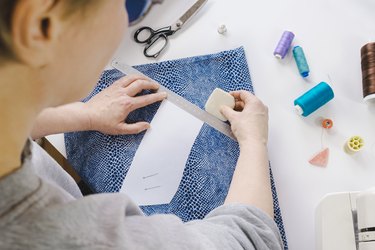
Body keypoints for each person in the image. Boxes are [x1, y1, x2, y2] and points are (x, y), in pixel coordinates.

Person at [0, 0, 283, 249]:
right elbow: (248, 239)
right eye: (129, 8)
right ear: (40, 24)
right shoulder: (74, 239)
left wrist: (84, 115)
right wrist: (254, 143)